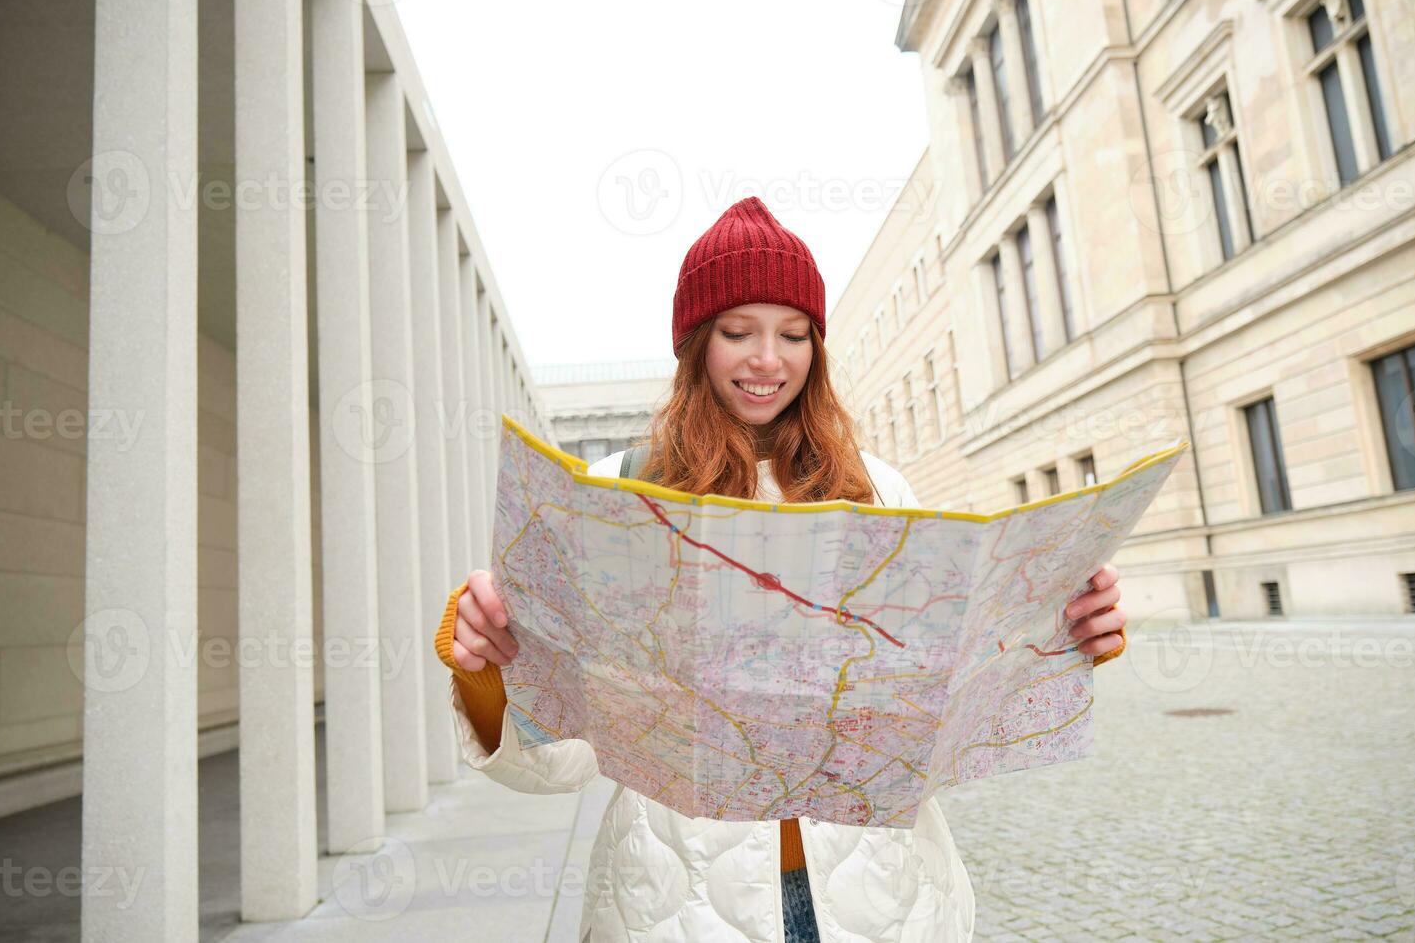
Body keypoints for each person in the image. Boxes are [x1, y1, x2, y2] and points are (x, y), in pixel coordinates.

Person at [433, 196, 1129, 942]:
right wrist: (487, 675)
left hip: (883, 899)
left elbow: (943, 704)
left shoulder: (879, 491)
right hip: (677, 907)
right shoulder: (616, 496)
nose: (769, 359)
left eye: (793, 334)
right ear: (696, 344)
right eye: (738, 332)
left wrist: (1051, 632)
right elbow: (562, 762)